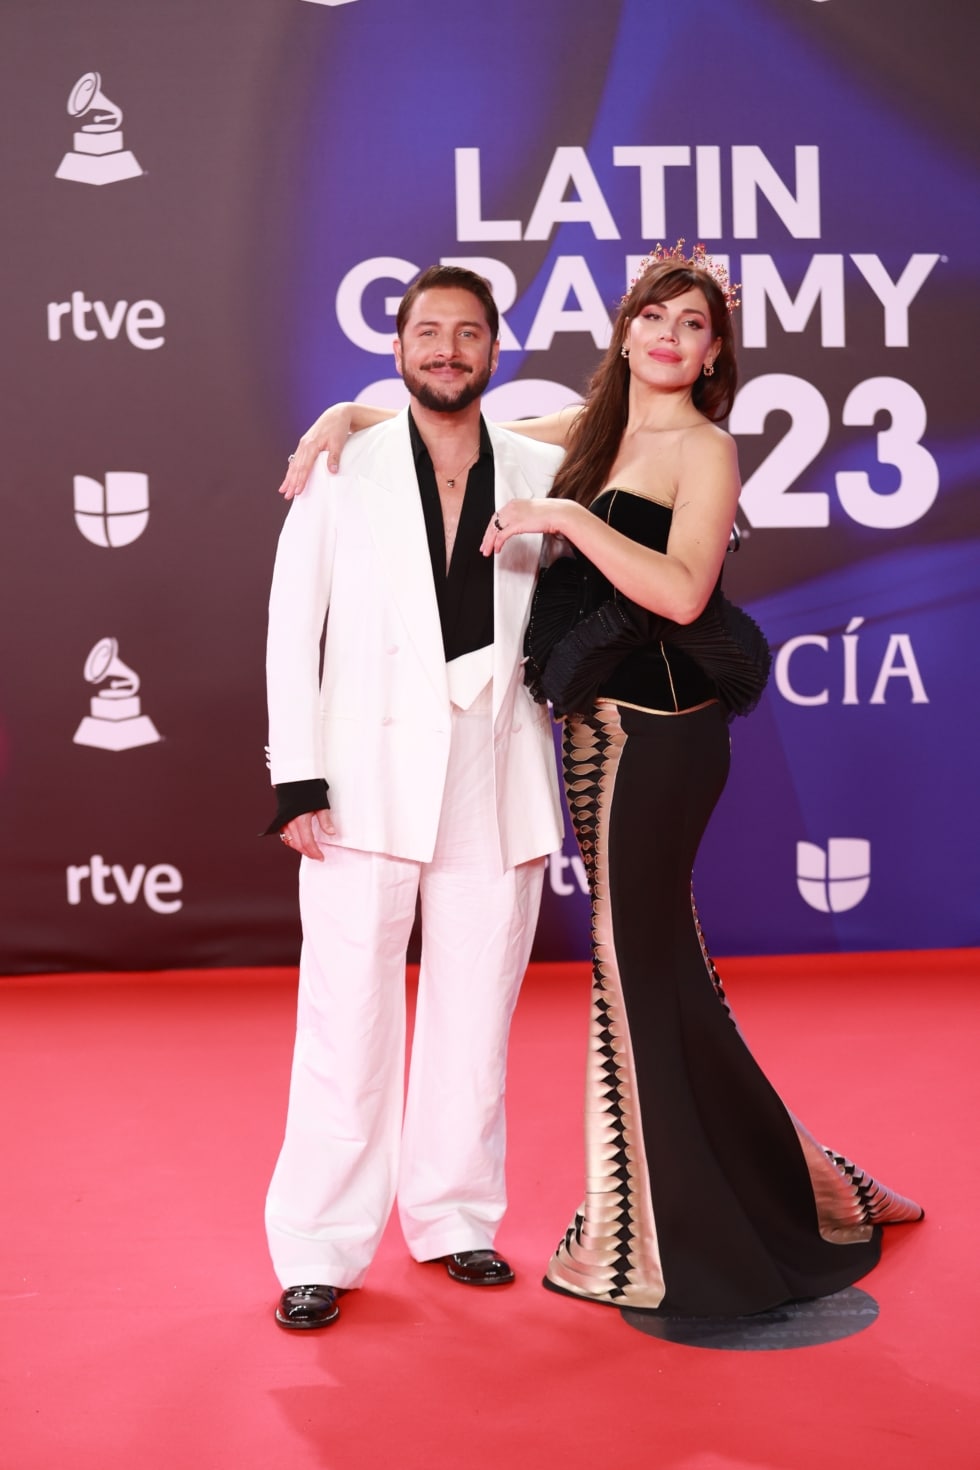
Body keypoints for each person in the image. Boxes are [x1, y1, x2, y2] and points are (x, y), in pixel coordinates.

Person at [287, 242, 923, 1319]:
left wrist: (569, 519)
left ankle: (646, 1234)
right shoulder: (590, 432)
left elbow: (681, 595)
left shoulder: (705, 447)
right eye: (653, 319)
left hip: (663, 730)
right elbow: (455, 427)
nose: (667, 339)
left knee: (636, 970)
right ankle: (806, 1178)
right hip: (590, 738)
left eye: (691, 326)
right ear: (624, 329)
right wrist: (344, 418)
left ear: (713, 351)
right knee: (653, 964)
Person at [264, 264, 565, 1330]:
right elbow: (289, 625)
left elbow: (626, 411)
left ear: (495, 349)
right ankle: (320, 1245)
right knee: (345, 1014)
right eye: (426, 333)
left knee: (472, 1013)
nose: (446, 349)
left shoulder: (538, 463)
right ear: (396, 351)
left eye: (467, 333)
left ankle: (454, 1220)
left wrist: (343, 402)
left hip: (496, 769)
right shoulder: (345, 466)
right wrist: (294, 772)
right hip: (361, 782)